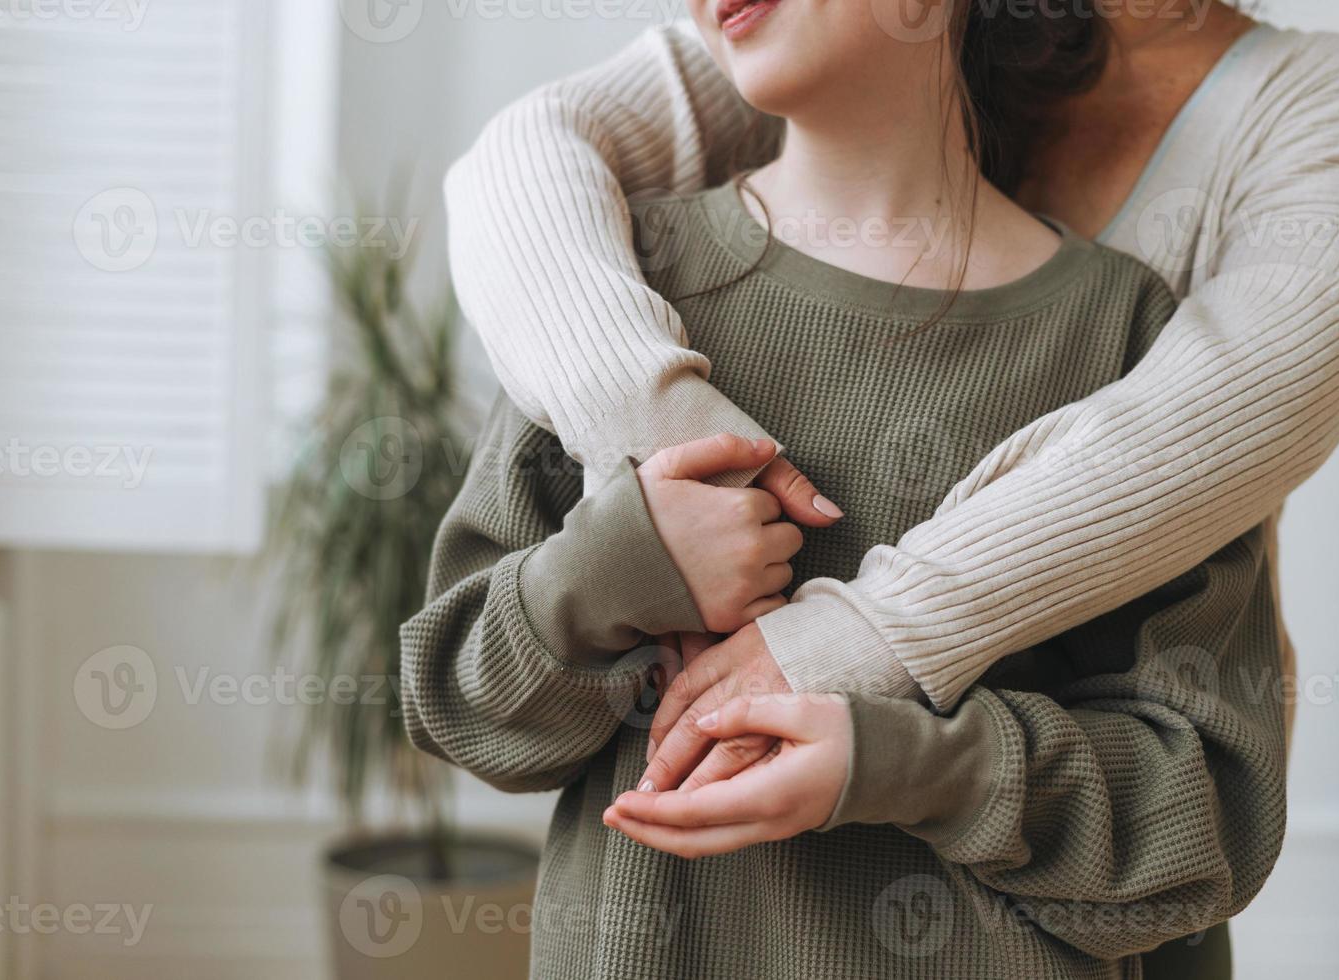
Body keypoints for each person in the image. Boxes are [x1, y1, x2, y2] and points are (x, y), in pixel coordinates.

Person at [402, 0, 1290, 974]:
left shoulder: (1124, 334)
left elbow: (1207, 824)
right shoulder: (614, 301)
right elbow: (460, 705)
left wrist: (904, 761)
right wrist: (620, 565)